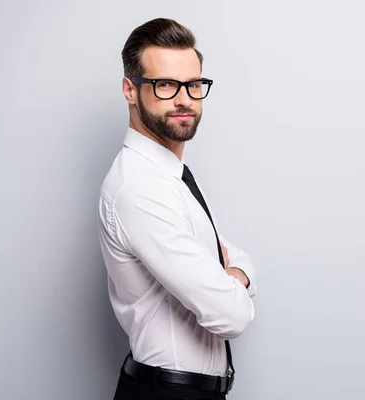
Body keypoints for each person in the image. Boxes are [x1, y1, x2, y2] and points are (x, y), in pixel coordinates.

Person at [98, 18, 258, 400]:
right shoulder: (141, 188)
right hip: (167, 392)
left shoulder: (171, 174)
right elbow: (231, 315)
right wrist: (235, 279)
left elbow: (231, 255)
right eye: (165, 85)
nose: (185, 99)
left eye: (194, 84)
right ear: (130, 90)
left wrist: (235, 272)